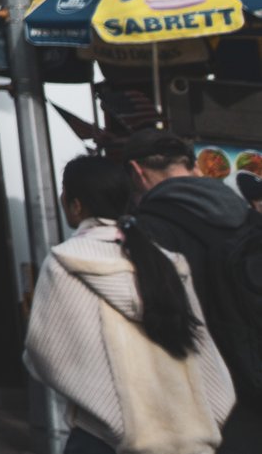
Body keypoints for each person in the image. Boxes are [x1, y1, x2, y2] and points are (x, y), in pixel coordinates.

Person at [28, 154, 232, 454]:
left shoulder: (65, 261)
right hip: (187, 439)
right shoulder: (165, 260)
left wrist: (118, 422)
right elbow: (202, 348)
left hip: (104, 440)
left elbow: (46, 353)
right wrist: (205, 421)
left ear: (76, 204)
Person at [124, 130, 262, 454]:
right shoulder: (249, 218)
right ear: (194, 168)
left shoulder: (145, 231)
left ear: (136, 172)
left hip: (204, 398)